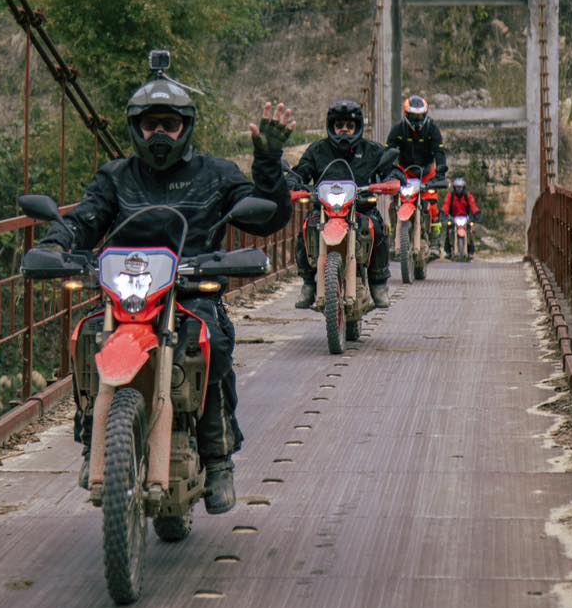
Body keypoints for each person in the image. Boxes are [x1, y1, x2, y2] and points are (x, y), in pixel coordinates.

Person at [34, 59, 295, 514]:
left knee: (211, 342)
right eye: (150, 124)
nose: (159, 135)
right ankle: (91, 438)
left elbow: (268, 216)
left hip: (192, 294)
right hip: (125, 297)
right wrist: (56, 245)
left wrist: (270, 165)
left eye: (169, 125)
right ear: (135, 128)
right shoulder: (116, 177)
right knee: (87, 337)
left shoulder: (215, 173)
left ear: (186, 127)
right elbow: (84, 220)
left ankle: (217, 460)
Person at [290, 98, 401, 310]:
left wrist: (393, 177)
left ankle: (378, 283)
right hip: (324, 210)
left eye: (349, 126)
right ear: (331, 127)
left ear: (357, 127)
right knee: (306, 228)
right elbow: (301, 170)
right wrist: (293, 180)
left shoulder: (372, 150)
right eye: (339, 126)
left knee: (377, 228)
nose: (344, 130)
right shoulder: (317, 150)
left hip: (361, 208)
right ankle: (308, 283)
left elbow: (389, 169)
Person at [385, 94, 447, 233]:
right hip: (404, 172)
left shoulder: (432, 130)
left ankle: (435, 240)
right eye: (413, 116)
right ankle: (393, 231)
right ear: (406, 114)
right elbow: (388, 151)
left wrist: (441, 173)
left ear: (425, 114)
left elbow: (439, 152)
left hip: (427, 172)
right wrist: (387, 171)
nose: (417, 120)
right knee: (395, 201)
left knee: (432, 205)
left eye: (420, 116)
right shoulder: (398, 130)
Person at [441, 177, 480, 259]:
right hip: (453, 217)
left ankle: (471, 252)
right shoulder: (450, 196)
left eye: (460, 187)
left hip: (465, 218)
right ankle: (447, 251)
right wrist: (444, 213)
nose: (459, 189)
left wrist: (476, 213)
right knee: (449, 230)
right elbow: (446, 205)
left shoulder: (467, 196)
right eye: (457, 187)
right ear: (454, 188)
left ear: (463, 188)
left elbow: (473, 204)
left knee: (470, 231)